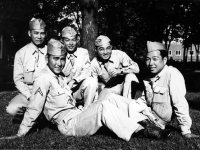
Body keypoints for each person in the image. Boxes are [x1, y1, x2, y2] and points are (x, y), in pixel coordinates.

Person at [0, 39, 171, 141]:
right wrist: (20, 133)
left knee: (110, 99)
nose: (59, 63)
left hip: (78, 113)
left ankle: (147, 120)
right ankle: (142, 131)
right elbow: (35, 107)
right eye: (55, 59)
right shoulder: (43, 78)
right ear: (47, 58)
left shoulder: (58, 75)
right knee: (103, 107)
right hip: (68, 124)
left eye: (62, 59)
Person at [135, 41, 199, 138]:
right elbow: (143, 101)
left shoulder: (172, 74)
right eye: (148, 59)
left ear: (164, 60)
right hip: (144, 114)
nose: (150, 63)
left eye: (155, 59)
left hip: (155, 122)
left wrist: (186, 130)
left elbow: (179, 102)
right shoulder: (149, 78)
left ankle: (148, 130)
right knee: (110, 101)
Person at [6, 18, 47, 120]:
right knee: (12, 109)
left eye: (42, 33)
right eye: (36, 33)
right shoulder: (21, 53)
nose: (39, 36)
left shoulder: (50, 51)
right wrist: (30, 96)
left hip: (47, 94)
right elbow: (18, 80)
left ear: (46, 34)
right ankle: (35, 115)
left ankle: (37, 116)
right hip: (28, 94)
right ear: (29, 33)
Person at [61, 26, 97, 109]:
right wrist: (66, 83)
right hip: (63, 91)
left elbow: (87, 71)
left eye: (73, 39)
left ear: (77, 40)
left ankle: (86, 110)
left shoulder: (83, 52)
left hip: (77, 90)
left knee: (91, 81)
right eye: (67, 40)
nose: (71, 43)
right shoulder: (58, 53)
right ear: (62, 41)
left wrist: (74, 80)